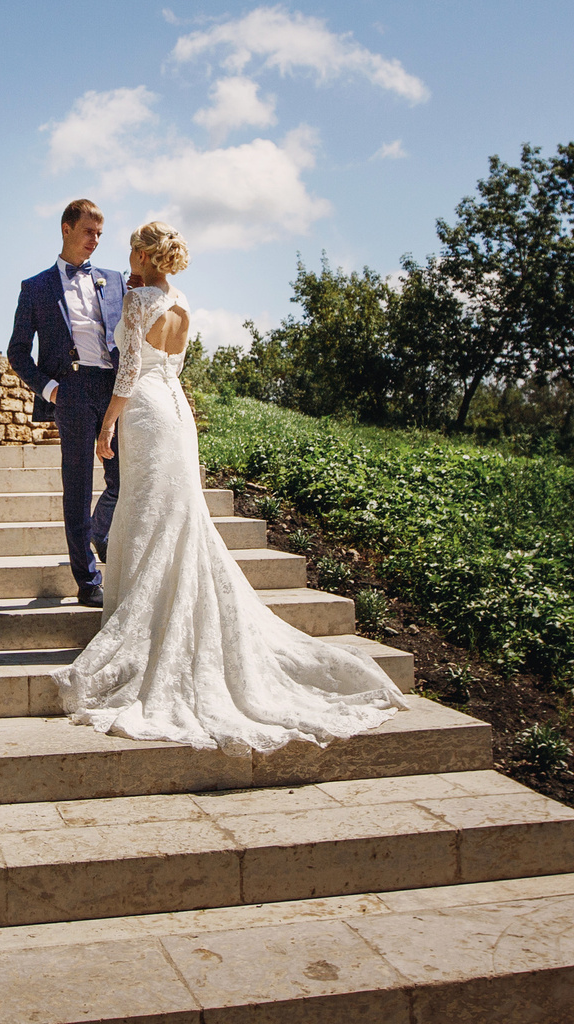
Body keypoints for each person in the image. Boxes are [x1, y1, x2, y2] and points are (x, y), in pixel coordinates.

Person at [58, 220, 408, 757]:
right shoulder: (181, 302)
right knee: (174, 517)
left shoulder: (137, 303)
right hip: (178, 413)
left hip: (147, 412)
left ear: (146, 256)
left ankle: (147, 630)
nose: (124, 255)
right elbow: (169, 366)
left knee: (149, 514)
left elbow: (129, 371)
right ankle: (166, 616)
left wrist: (107, 422)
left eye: (131, 248)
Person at [6, 198, 121, 608]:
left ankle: (99, 535)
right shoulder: (35, 288)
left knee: (122, 480)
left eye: (100, 235)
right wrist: (51, 389)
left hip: (112, 388)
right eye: (89, 231)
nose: (95, 241)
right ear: (66, 229)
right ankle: (87, 579)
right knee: (77, 488)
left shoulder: (114, 280)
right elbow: (17, 352)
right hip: (70, 391)